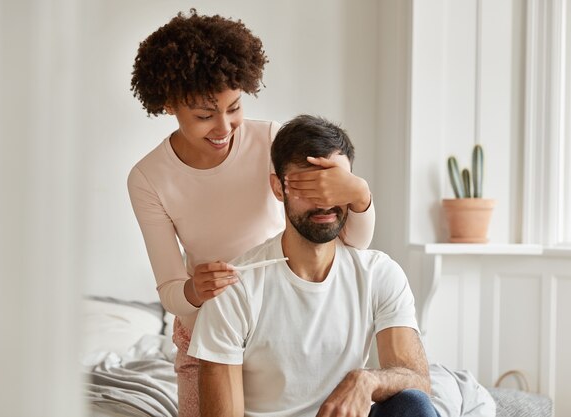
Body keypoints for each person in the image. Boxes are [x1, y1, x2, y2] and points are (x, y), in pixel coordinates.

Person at [127, 10, 375, 417]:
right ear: (170, 105)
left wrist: (360, 196)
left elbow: (354, 241)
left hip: (287, 322)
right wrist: (195, 290)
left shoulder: (271, 141)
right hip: (207, 330)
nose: (224, 127)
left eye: (234, 107)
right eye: (204, 115)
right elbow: (172, 290)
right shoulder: (148, 178)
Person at [188, 114, 438, 417]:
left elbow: (418, 381)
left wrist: (368, 379)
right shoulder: (234, 290)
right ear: (278, 188)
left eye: (336, 185)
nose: (324, 201)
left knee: (413, 404)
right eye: (309, 185)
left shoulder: (379, 274)